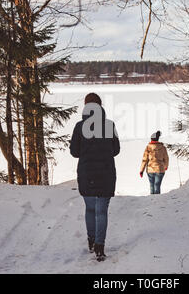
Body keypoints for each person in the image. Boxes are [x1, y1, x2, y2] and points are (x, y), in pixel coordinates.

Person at [70, 93, 120, 262]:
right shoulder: (109, 126)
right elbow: (116, 150)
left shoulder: (79, 127)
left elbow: (74, 152)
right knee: (101, 211)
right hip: (106, 174)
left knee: (90, 209)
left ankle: (91, 241)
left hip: (86, 174)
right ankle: (100, 246)